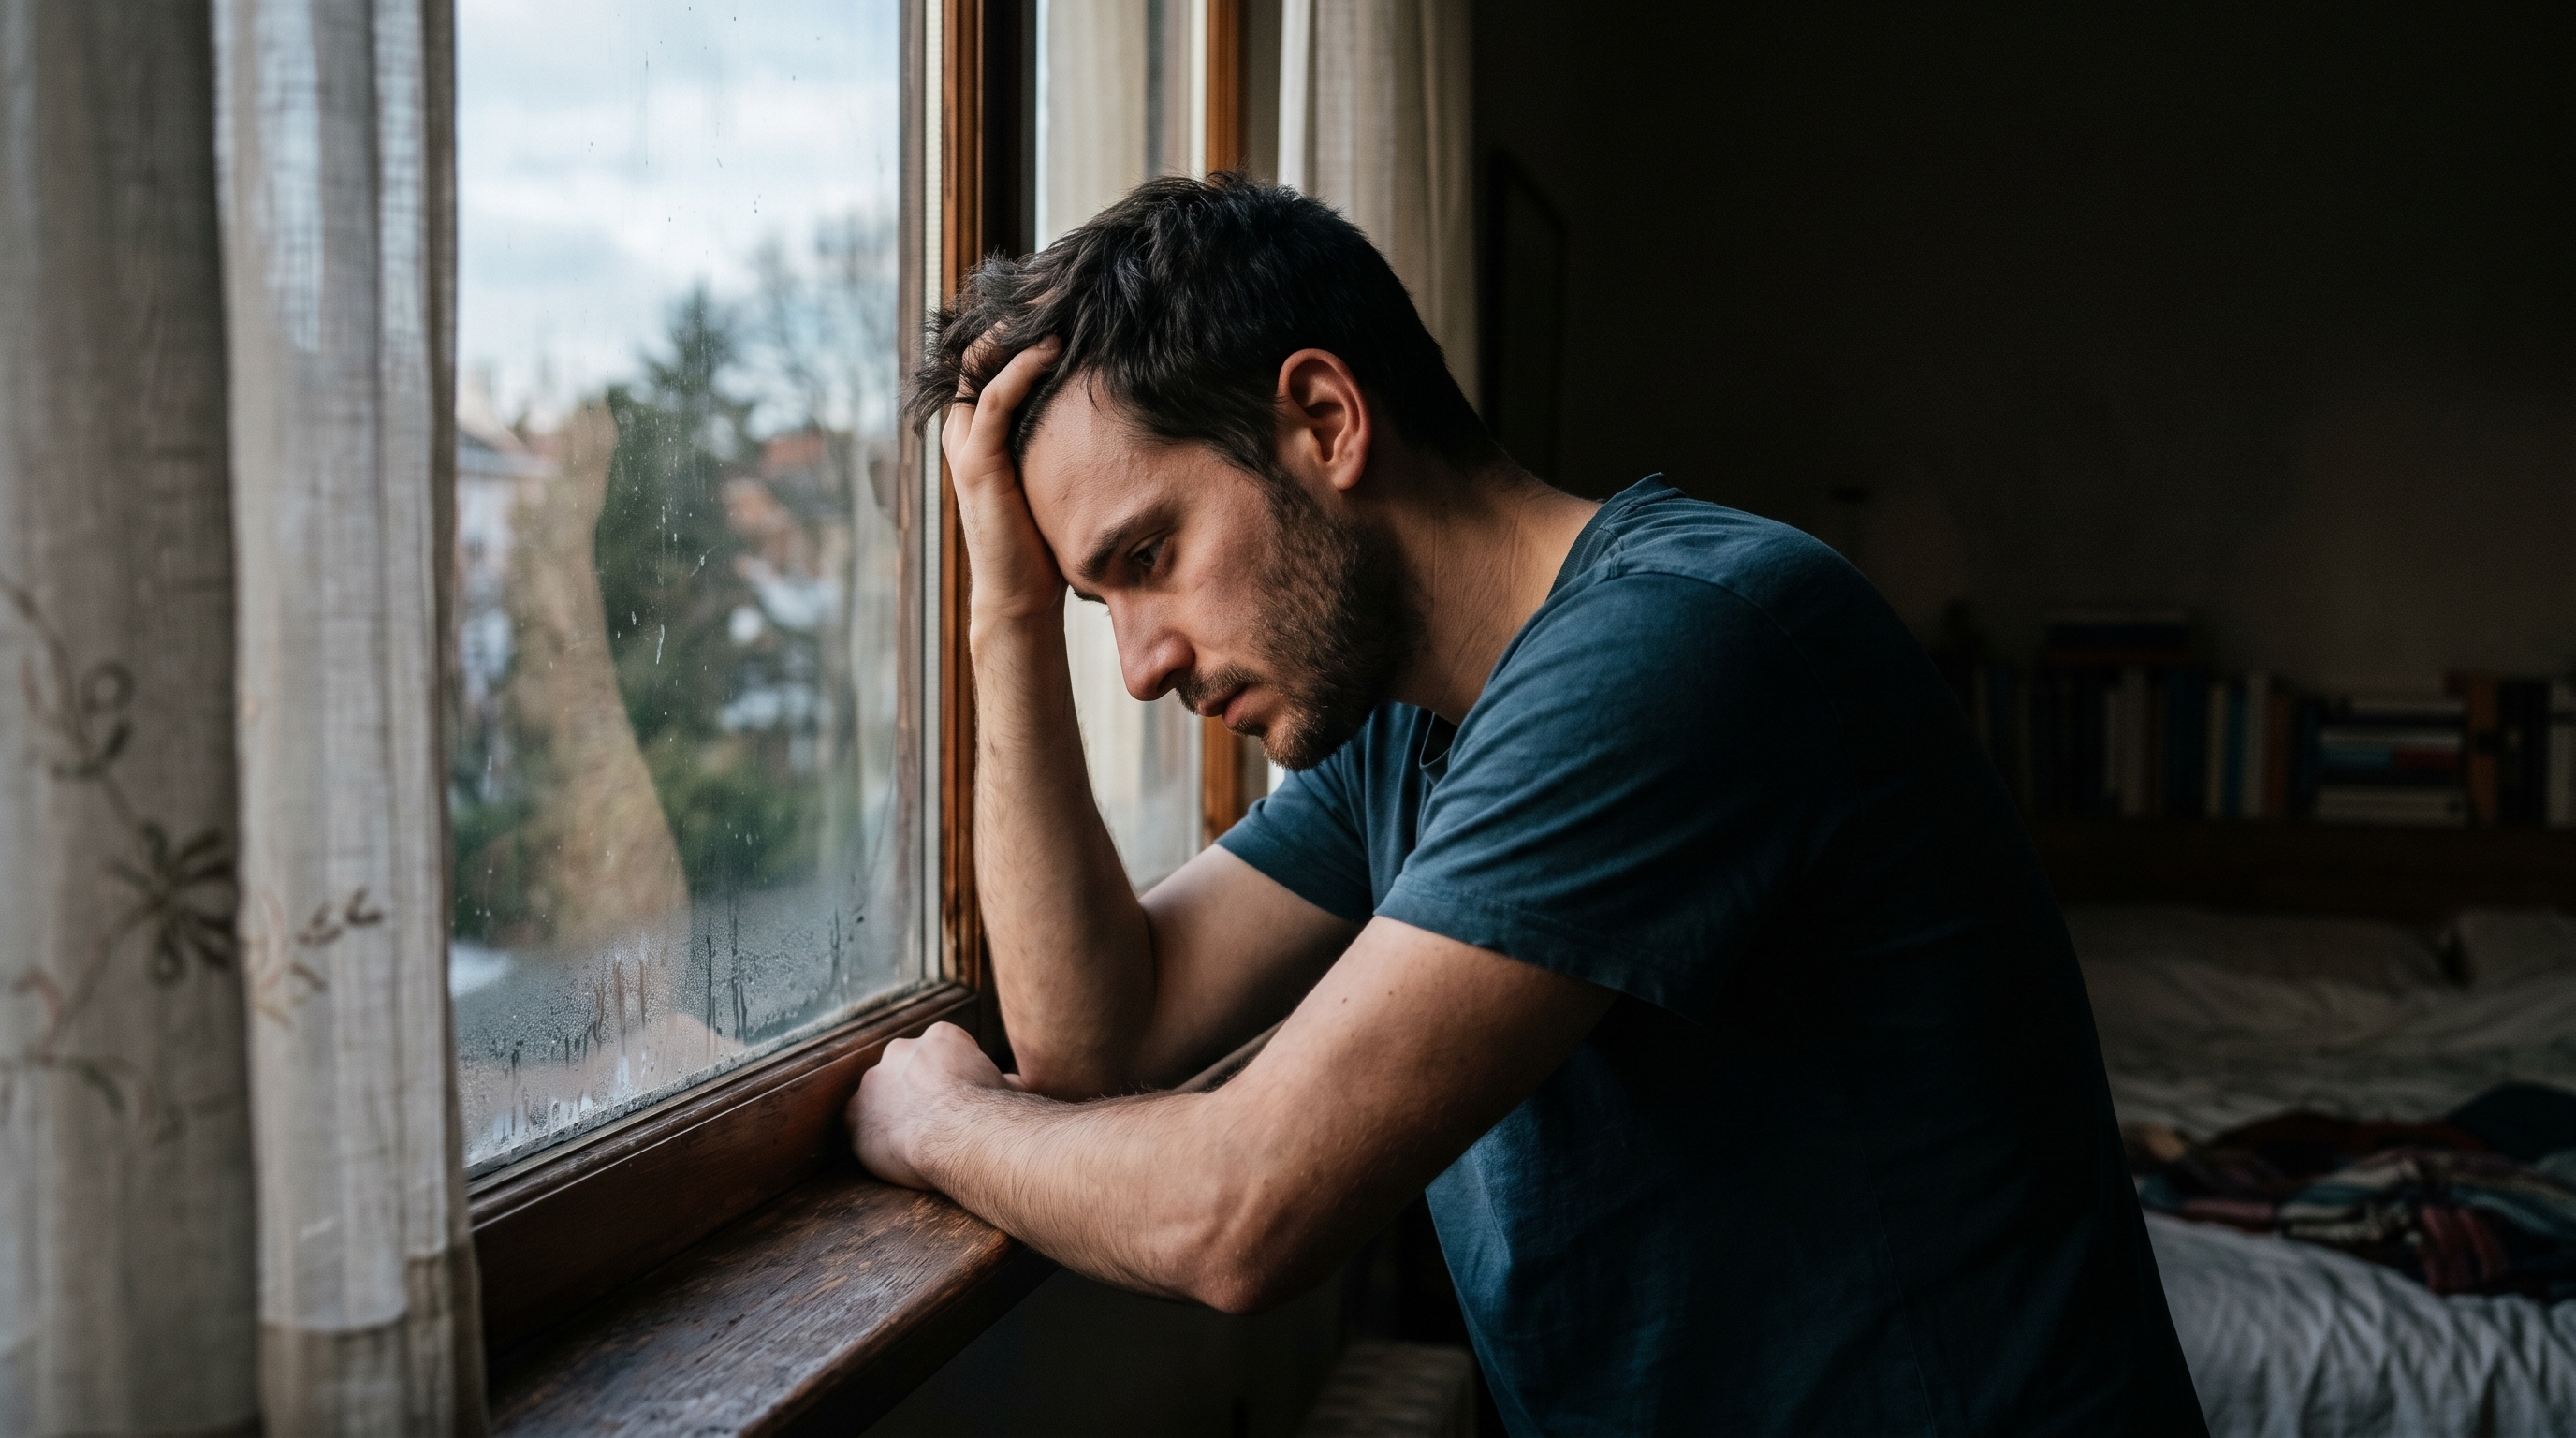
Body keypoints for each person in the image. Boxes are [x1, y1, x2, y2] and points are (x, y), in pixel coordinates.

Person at [848, 173, 2204, 1435]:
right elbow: (1099, 1038)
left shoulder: (1683, 646)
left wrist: (937, 1123)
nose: (1141, 666)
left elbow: (1241, 1213)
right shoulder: (1403, 724)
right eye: (1103, 603)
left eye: (1152, 557)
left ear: (1326, 421)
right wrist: (1011, 609)